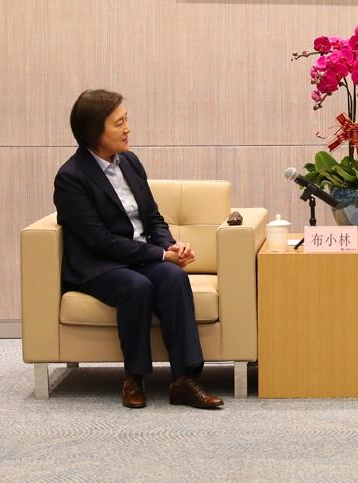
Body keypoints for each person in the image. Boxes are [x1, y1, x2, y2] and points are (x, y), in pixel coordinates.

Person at [54, 89, 223, 409]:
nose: (127, 128)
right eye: (118, 123)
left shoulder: (130, 162)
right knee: (137, 287)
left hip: (139, 256)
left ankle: (184, 379)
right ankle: (134, 377)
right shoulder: (71, 177)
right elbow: (99, 241)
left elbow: (153, 217)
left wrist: (171, 246)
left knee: (173, 277)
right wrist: (159, 254)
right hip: (99, 265)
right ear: (94, 131)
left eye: (126, 120)